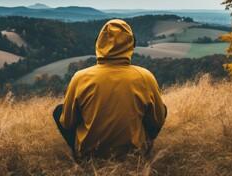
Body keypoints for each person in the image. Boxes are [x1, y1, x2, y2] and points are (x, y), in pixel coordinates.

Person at [53, 19, 167, 159]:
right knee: (162, 108)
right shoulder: (145, 77)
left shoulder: (80, 77)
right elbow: (158, 120)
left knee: (59, 111)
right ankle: (144, 152)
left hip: (90, 155)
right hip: (134, 155)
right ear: (132, 44)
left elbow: (67, 122)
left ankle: (80, 157)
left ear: (98, 44)